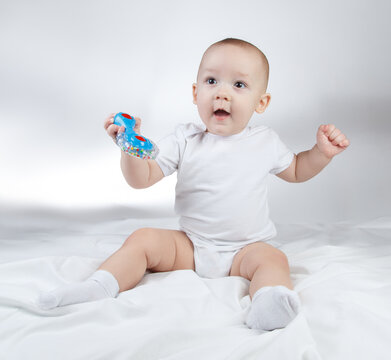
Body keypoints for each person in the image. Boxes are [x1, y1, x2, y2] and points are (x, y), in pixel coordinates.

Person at [38, 38, 349, 331]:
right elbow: (141, 180)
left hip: (245, 249)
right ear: (194, 92)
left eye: (238, 85)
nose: (221, 93)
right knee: (143, 237)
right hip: (190, 246)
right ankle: (101, 285)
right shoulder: (184, 139)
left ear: (261, 102)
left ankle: (268, 302)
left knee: (273, 259)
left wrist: (320, 154)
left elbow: (295, 169)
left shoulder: (264, 141)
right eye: (211, 81)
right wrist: (129, 150)